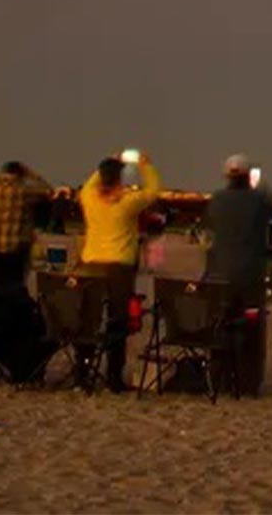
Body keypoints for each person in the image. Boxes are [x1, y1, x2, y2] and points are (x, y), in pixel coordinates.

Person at [78, 151, 161, 392]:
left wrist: (107, 163)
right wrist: (146, 166)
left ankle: (83, 371)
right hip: (119, 266)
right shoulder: (126, 202)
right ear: (119, 179)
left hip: (92, 262)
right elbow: (152, 191)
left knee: (88, 320)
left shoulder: (89, 197)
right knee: (117, 321)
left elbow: (91, 183)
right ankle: (113, 375)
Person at [205, 154, 272, 396]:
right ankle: (248, 380)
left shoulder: (217, 200)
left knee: (219, 325)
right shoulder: (257, 200)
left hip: (220, 274)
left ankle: (219, 376)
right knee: (252, 329)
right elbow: (270, 209)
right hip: (250, 275)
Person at [0, 161, 52, 293]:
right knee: (14, 286)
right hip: (17, 247)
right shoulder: (24, 191)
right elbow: (47, 190)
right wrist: (32, 174)